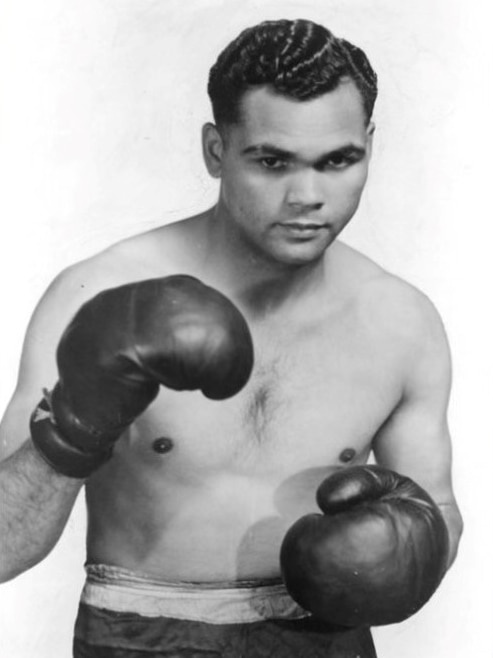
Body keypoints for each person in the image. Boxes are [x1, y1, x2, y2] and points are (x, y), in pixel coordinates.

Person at [0, 18, 463, 658]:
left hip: (327, 644)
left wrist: (408, 552)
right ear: (216, 150)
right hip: (140, 637)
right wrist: (73, 427)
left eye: (338, 161)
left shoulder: (401, 322)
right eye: (272, 161)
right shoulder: (97, 293)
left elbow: (438, 513)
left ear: (369, 146)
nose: (308, 196)